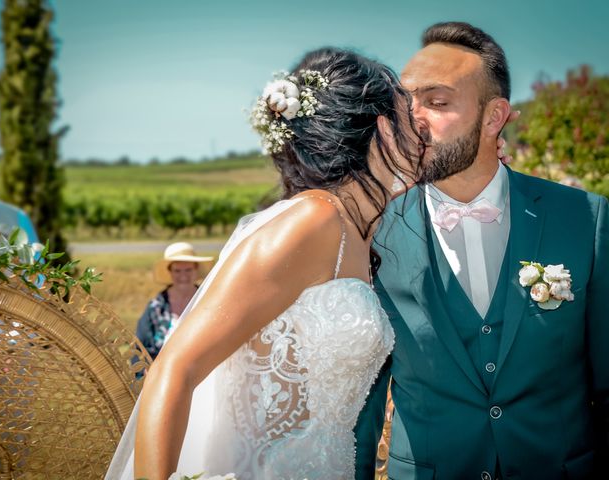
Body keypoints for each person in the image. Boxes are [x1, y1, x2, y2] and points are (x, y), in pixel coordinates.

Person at [106, 47, 425, 480]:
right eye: (410, 114)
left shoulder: (362, 229)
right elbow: (174, 368)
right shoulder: (313, 221)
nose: (423, 126)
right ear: (383, 129)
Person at [354, 22, 609, 480]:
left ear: (494, 117)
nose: (414, 118)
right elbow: (363, 403)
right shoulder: (375, 229)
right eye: (405, 102)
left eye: (437, 101)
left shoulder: (585, 219)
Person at [136, 242, 213, 361]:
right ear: (170, 272)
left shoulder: (209, 300)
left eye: (188, 270)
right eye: (177, 271)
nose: (183, 275)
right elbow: (140, 348)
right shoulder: (156, 307)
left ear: (196, 270)